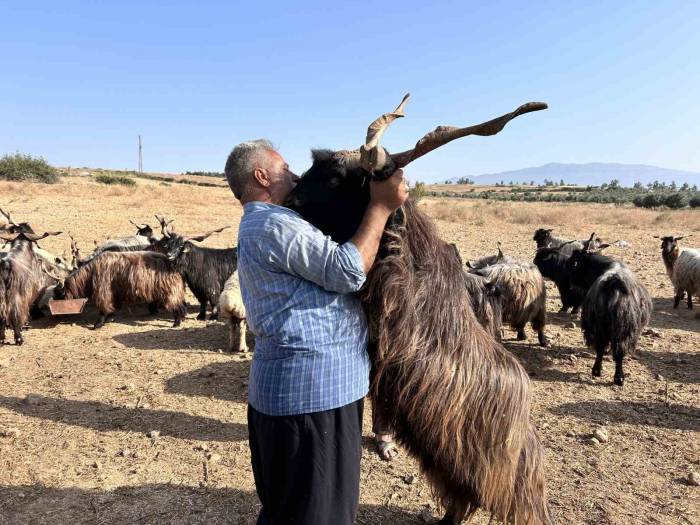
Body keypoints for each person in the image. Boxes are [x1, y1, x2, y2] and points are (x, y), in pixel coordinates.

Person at [224, 139, 408, 525]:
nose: (293, 175)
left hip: (303, 393)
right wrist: (381, 205)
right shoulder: (274, 223)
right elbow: (347, 269)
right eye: (284, 167)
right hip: (312, 396)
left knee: (292, 508)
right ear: (261, 176)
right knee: (319, 513)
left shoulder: (259, 224)